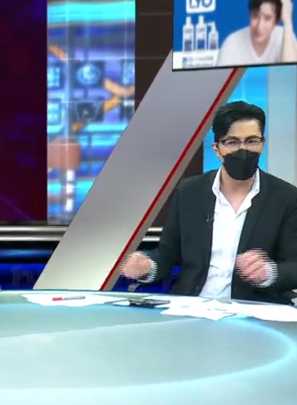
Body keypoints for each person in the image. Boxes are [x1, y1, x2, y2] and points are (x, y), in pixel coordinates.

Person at [121, 101, 297, 304]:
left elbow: (294, 266)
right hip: (193, 305)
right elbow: (167, 255)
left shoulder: (286, 197)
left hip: (254, 309)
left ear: (262, 144)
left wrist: (270, 273)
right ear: (217, 149)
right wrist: (146, 267)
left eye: (251, 141)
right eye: (232, 142)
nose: (243, 149)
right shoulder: (190, 191)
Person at [216, 0, 297, 66]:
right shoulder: (232, 43)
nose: (260, 26)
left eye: (267, 18)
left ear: (276, 20)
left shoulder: (285, 36)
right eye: (255, 16)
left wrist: (287, 22)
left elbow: (291, 76)